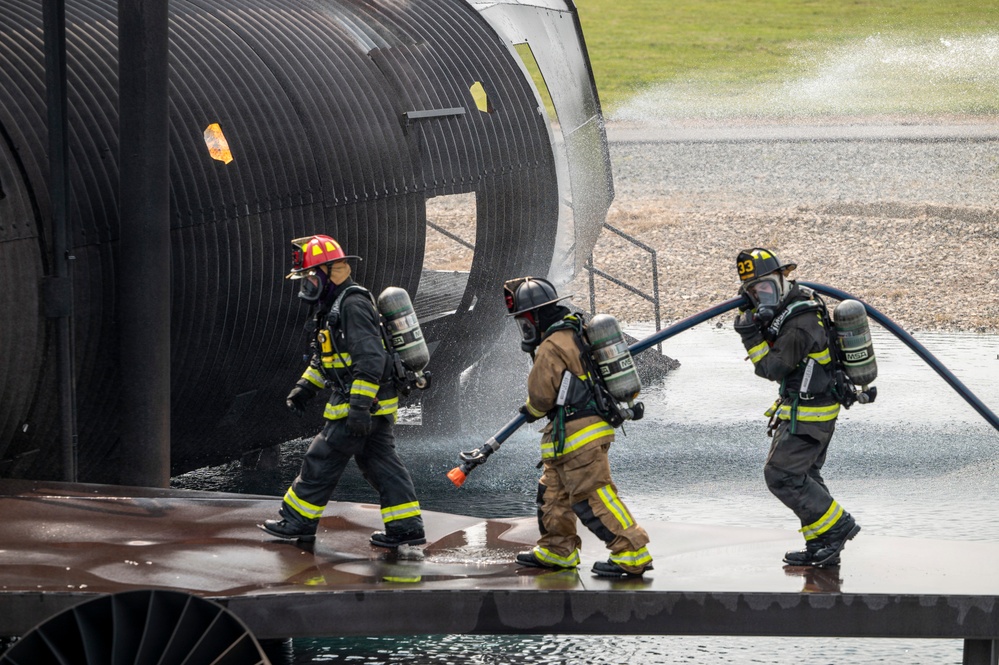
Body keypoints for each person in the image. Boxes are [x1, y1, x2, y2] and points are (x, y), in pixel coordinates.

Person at [259, 234, 425, 548]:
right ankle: (406, 527)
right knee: (381, 464)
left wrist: (360, 408)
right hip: (367, 403)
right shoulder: (333, 307)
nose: (306, 284)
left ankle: (296, 521)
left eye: (309, 275)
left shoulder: (353, 304)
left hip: (361, 403)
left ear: (329, 272)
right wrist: (304, 388)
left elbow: (370, 360)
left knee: (321, 457)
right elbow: (329, 359)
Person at [504, 276, 653, 578]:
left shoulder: (550, 346)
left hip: (577, 435)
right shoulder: (575, 331)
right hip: (574, 433)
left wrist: (530, 409)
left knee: (592, 496)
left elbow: (542, 396)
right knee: (553, 493)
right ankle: (557, 550)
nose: (525, 328)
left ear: (534, 317)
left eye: (524, 320)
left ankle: (632, 551)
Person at [733, 248, 860, 567]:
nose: (762, 297)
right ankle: (821, 543)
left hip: (809, 412)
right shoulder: (788, 309)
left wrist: (750, 335)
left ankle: (837, 526)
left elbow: (772, 368)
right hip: (805, 407)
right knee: (805, 474)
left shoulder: (800, 320)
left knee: (780, 475)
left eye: (766, 288)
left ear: (782, 279)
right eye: (754, 291)